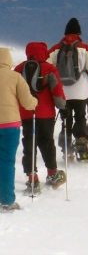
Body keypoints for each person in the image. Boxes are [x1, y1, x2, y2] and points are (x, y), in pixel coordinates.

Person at [48, 17, 88, 162]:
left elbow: (46, 66)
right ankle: (81, 139)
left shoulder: (56, 48)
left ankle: (66, 149)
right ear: (79, 33)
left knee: (65, 119)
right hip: (80, 92)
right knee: (80, 117)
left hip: (63, 92)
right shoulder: (84, 49)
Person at [15, 42, 67, 194]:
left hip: (26, 113)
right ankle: (52, 174)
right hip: (45, 114)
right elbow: (57, 91)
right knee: (47, 142)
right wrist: (63, 108)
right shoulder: (49, 69)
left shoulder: (19, 69)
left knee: (29, 144)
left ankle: (32, 178)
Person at [0, 47, 37, 212]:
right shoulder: (15, 77)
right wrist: (35, 102)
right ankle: (6, 201)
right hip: (9, 126)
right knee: (7, 162)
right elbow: (28, 103)